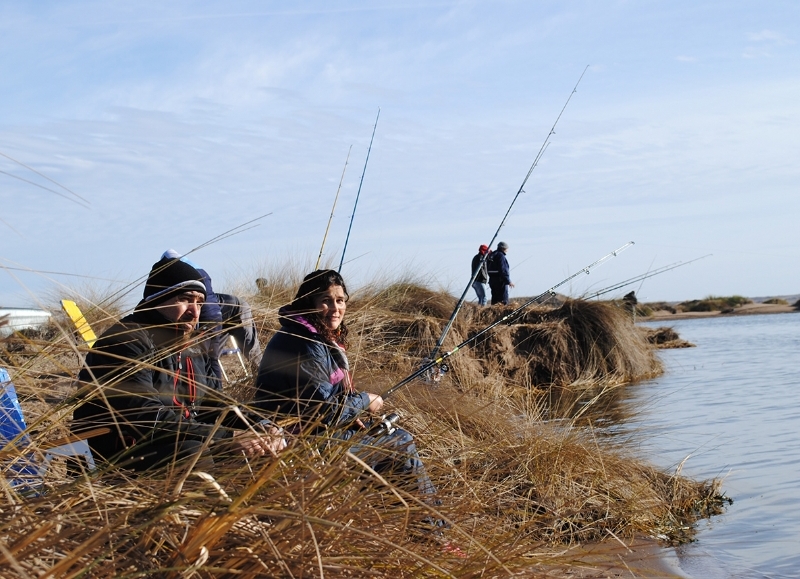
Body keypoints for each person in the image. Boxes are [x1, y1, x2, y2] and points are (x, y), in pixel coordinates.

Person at [71, 257, 284, 472]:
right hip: (114, 450)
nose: (194, 311)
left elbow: (212, 403)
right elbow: (145, 417)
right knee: (192, 453)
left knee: (260, 447)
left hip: (172, 440)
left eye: (200, 303)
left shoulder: (191, 346)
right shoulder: (126, 340)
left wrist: (257, 425)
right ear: (158, 299)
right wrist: (228, 437)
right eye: (185, 299)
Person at [254, 269, 437, 498]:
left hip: (312, 435)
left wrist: (353, 415)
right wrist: (364, 401)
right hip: (301, 444)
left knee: (389, 444)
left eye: (340, 300)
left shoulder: (312, 335)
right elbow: (324, 415)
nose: (335, 308)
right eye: (326, 301)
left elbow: (323, 398)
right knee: (401, 442)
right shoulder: (305, 342)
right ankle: (431, 530)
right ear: (309, 303)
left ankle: (404, 522)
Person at [161, 250, 261, 391]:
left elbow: (209, 312)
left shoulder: (189, 274)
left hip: (218, 316)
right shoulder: (180, 272)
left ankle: (219, 394)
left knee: (209, 357)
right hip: (217, 312)